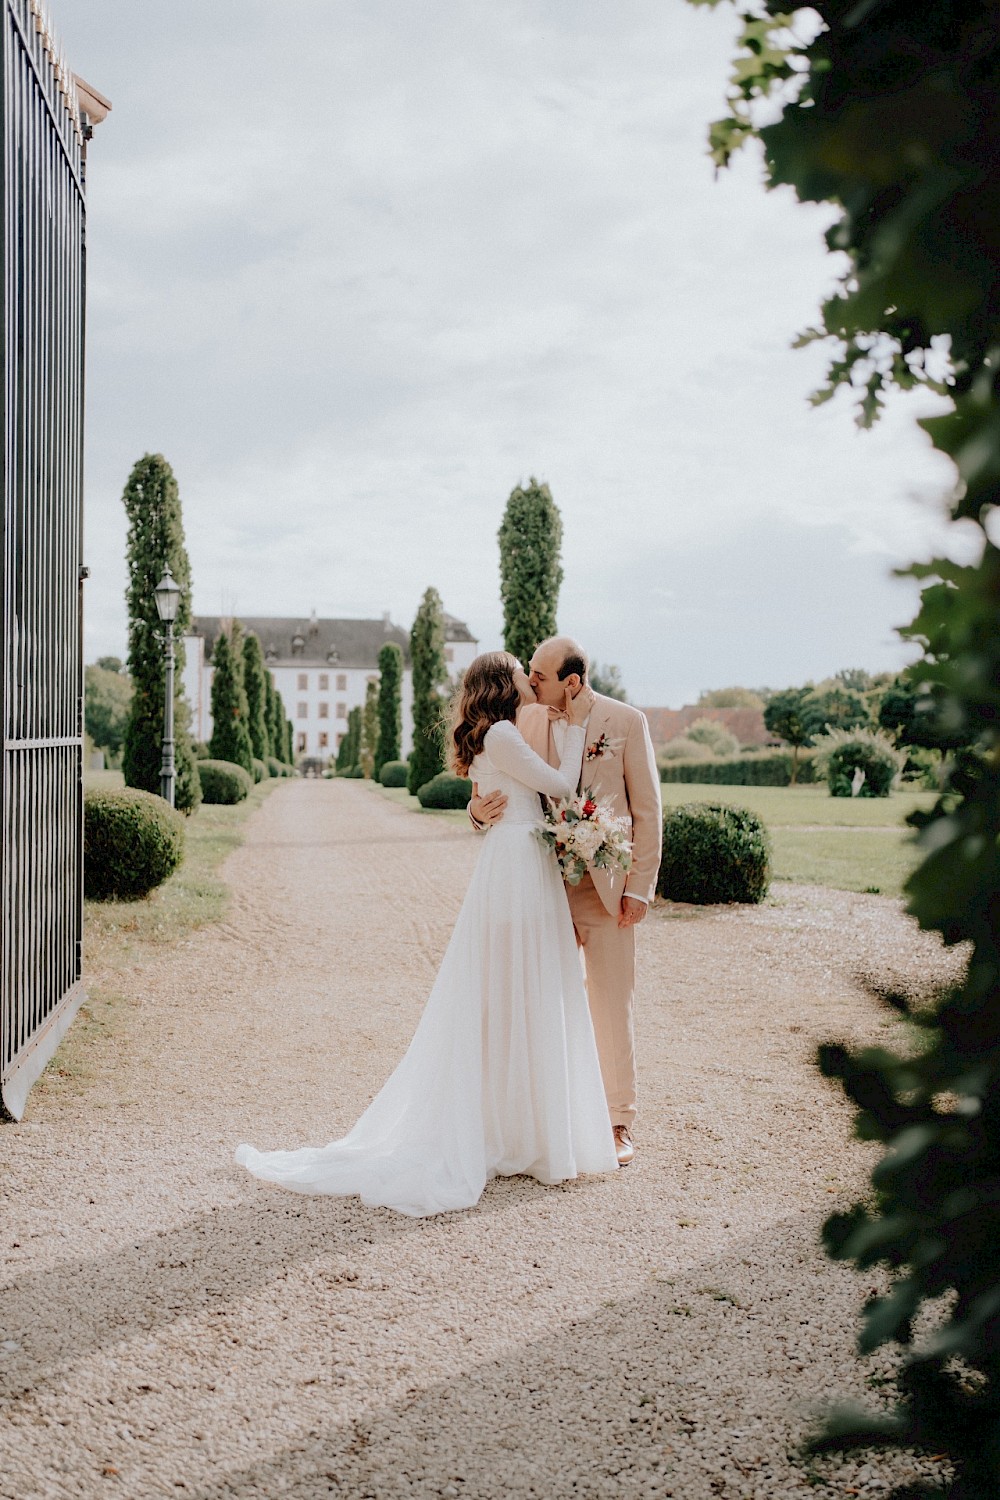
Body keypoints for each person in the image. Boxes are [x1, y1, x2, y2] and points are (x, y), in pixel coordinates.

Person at [235, 651, 618, 1217]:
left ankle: (520, 1129)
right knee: (525, 986)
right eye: (518, 667)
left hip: (512, 860)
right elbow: (561, 784)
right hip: (516, 868)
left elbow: (512, 797)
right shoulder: (506, 734)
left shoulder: (499, 734)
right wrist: (578, 724)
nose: (526, 674)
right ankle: (526, 1134)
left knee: (516, 990)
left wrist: (484, 810)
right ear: (502, 681)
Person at [470, 637, 661, 1166]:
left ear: (572, 681)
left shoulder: (626, 722)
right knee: (539, 1003)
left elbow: (648, 811)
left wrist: (640, 888)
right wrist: (477, 814)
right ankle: (549, 1121)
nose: (531, 682)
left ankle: (618, 1120)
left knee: (609, 1003)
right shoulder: (521, 722)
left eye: (541, 674)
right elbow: (490, 788)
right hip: (537, 885)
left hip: (604, 890)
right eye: (528, 673)